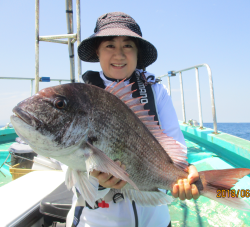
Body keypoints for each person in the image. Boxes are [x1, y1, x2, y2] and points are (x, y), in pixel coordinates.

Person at [66, 12, 200, 227]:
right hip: (96, 220)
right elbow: (67, 159)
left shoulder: (156, 91)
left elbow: (175, 146)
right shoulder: (79, 97)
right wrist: (99, 183)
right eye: (109, 45)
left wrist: (184, 172)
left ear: (137, 53)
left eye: (128, 46)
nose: (119, 55)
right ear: (97, 52)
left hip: (154, 220)